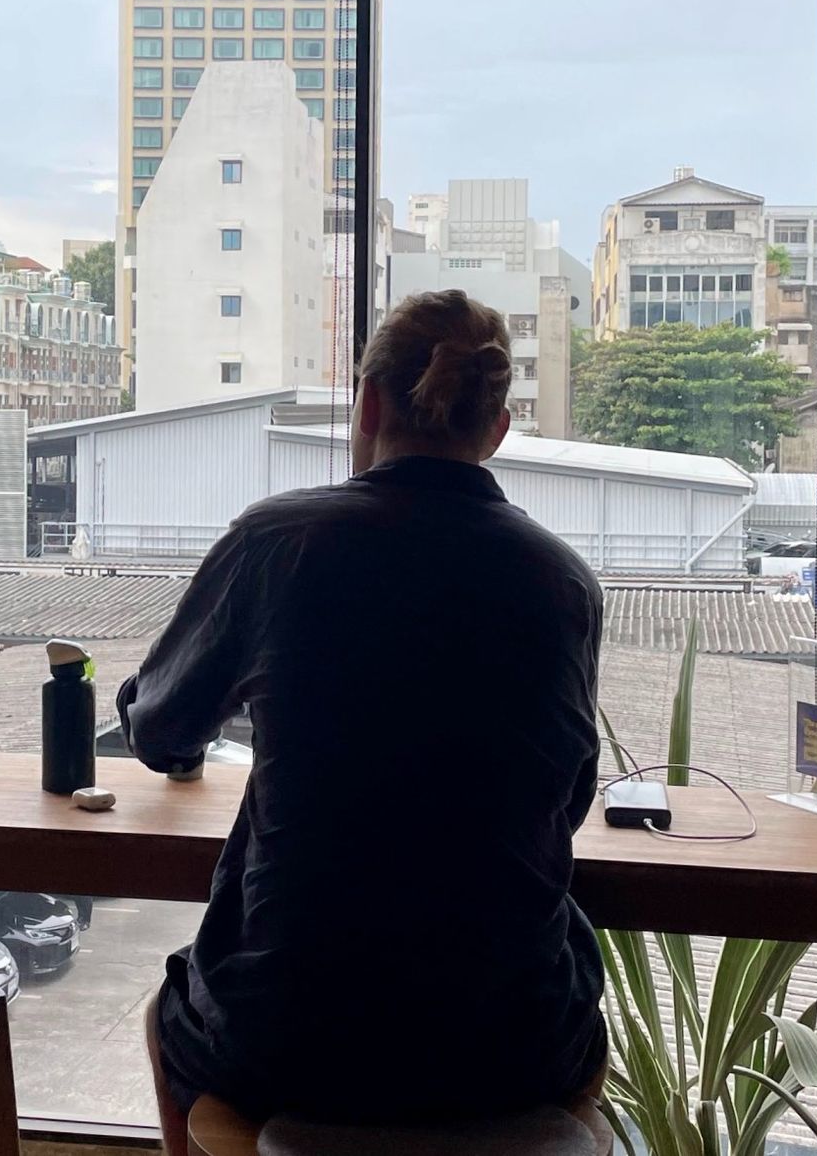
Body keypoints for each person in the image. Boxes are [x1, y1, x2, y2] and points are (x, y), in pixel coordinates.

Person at [116, 289, 606, 1149]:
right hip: (511, 1048)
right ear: (495, 432)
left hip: (291, 1043)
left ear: (369, 405)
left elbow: (158, 731)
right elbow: (562, 803)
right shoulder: (562, 581)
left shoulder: (279, 542)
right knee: (573, 1022)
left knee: (170, 1011)